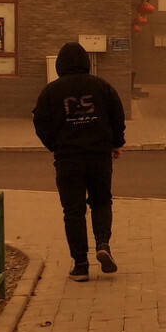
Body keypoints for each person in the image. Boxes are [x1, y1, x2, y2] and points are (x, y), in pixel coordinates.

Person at [32, 42, 126, 282]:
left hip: (68, 159)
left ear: (60, 64)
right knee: (101, 201)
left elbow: (40, 122)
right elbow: (117, 115)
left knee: (73, 210)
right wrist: (116, 142)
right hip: (99, 156)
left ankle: (81, 265)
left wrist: (55, 145)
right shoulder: (102, 86)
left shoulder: (50, 91)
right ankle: (103, 244)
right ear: (86, 62)